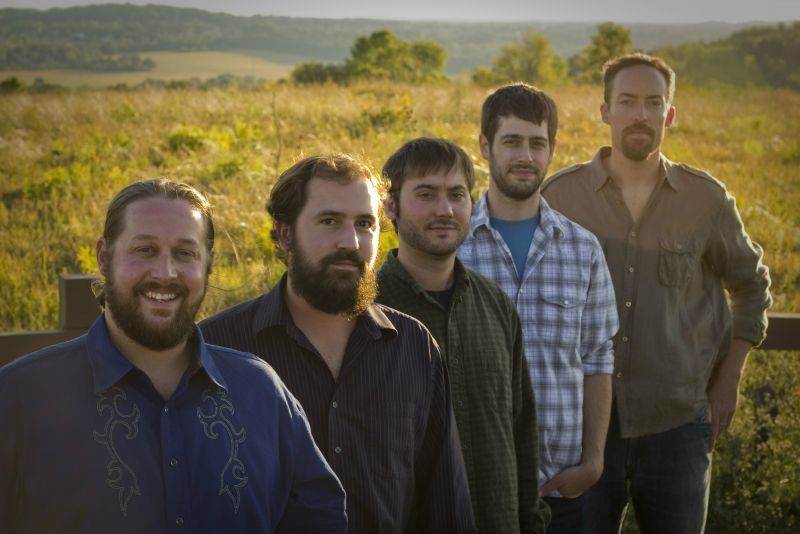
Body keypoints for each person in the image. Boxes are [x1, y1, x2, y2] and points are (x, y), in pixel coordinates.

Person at [0, 179, 347, 534]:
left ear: (208, 263)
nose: (165, 273)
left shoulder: (260, 392)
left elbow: (321, 518)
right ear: (104, 257)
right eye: (144, 250)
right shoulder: (19, 398)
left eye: (185, 253)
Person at [541, 53, 772, 533]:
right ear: (605, 111)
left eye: (653, 103)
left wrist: (729, 379)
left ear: (669, 114)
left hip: (678, 427)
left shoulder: (705, 199)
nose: (640, 114)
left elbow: (751, 284)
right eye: (627, 101)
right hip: (581, 430)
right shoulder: (559, 199)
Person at [200, 154, 475, 534]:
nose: (351, 242)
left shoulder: (414, 348)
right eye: (329, 221)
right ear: (285, 234)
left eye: (365, 224)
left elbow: (446, 508)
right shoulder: (217, 348)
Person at [458, 84, 619, 534]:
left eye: (537, 143)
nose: (525, 156)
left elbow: (598, 357)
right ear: (485, 146)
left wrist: (593, 462)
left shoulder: (582, 249)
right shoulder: (453, 247)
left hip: (560, 488)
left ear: (553, 148)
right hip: (470, 487)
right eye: (511, 141)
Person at [376, 137, 551, 534]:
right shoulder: (364, 313)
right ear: (391, 207)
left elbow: (522, 431)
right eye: (426, 194)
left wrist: (531, 522)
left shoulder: (496, 306)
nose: (445, 209)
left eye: (457, 195)